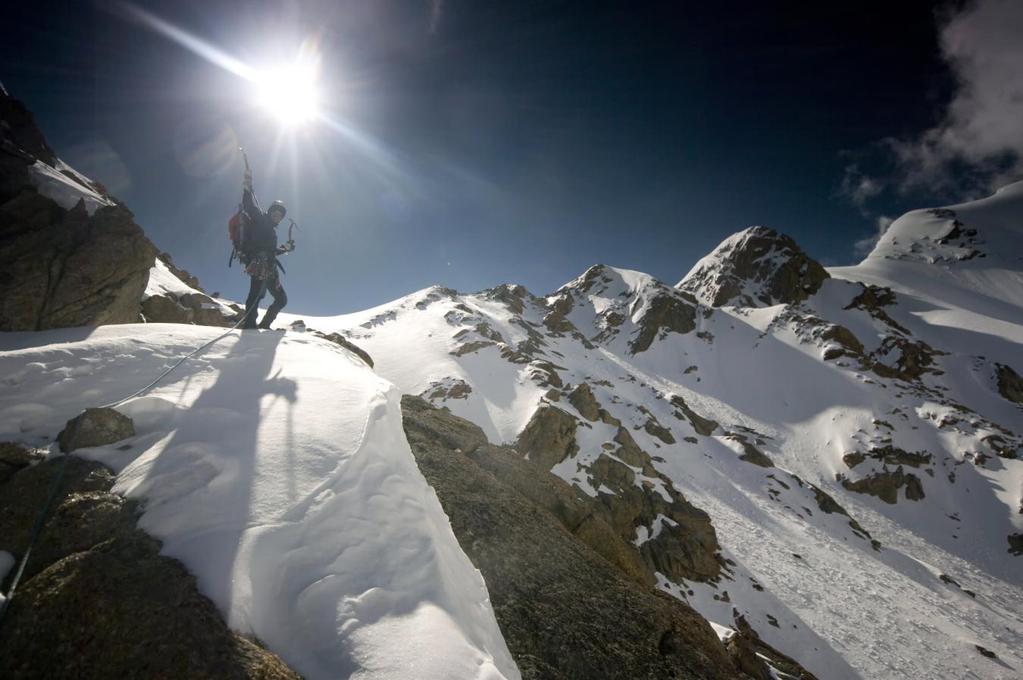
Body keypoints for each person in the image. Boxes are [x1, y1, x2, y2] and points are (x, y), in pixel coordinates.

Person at [239, 167, 294, 329]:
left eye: (280, 215)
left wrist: (285, 248)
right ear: (270, 212)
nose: (278, 216)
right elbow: (249, 206)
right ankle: (249, 325)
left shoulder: (271, 231)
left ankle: (264, 325)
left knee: (281, 299)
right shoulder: (261, 219)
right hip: (258, 265)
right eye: (275, 213)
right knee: (256, 294)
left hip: (269, 268)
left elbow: (272, 251)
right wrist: (247, 187)